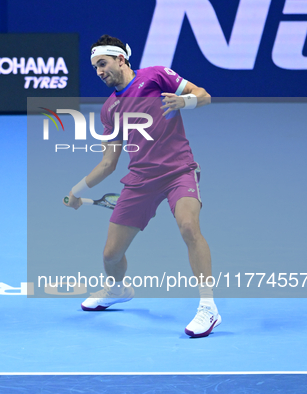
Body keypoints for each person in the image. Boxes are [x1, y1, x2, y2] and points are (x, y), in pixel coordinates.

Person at [64, 34, 219, 338]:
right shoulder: (109, 109)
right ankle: (118, 288)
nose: (99, 71)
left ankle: (208, 308)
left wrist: (184, 100)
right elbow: (109, 162)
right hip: (140, 180)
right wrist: (76, 190)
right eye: (95, 66)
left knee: (189, 227)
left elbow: (205, 95)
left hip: (178, 171)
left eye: (103, 63)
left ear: (120, 59)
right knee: (110, 255)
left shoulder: (156, 76)